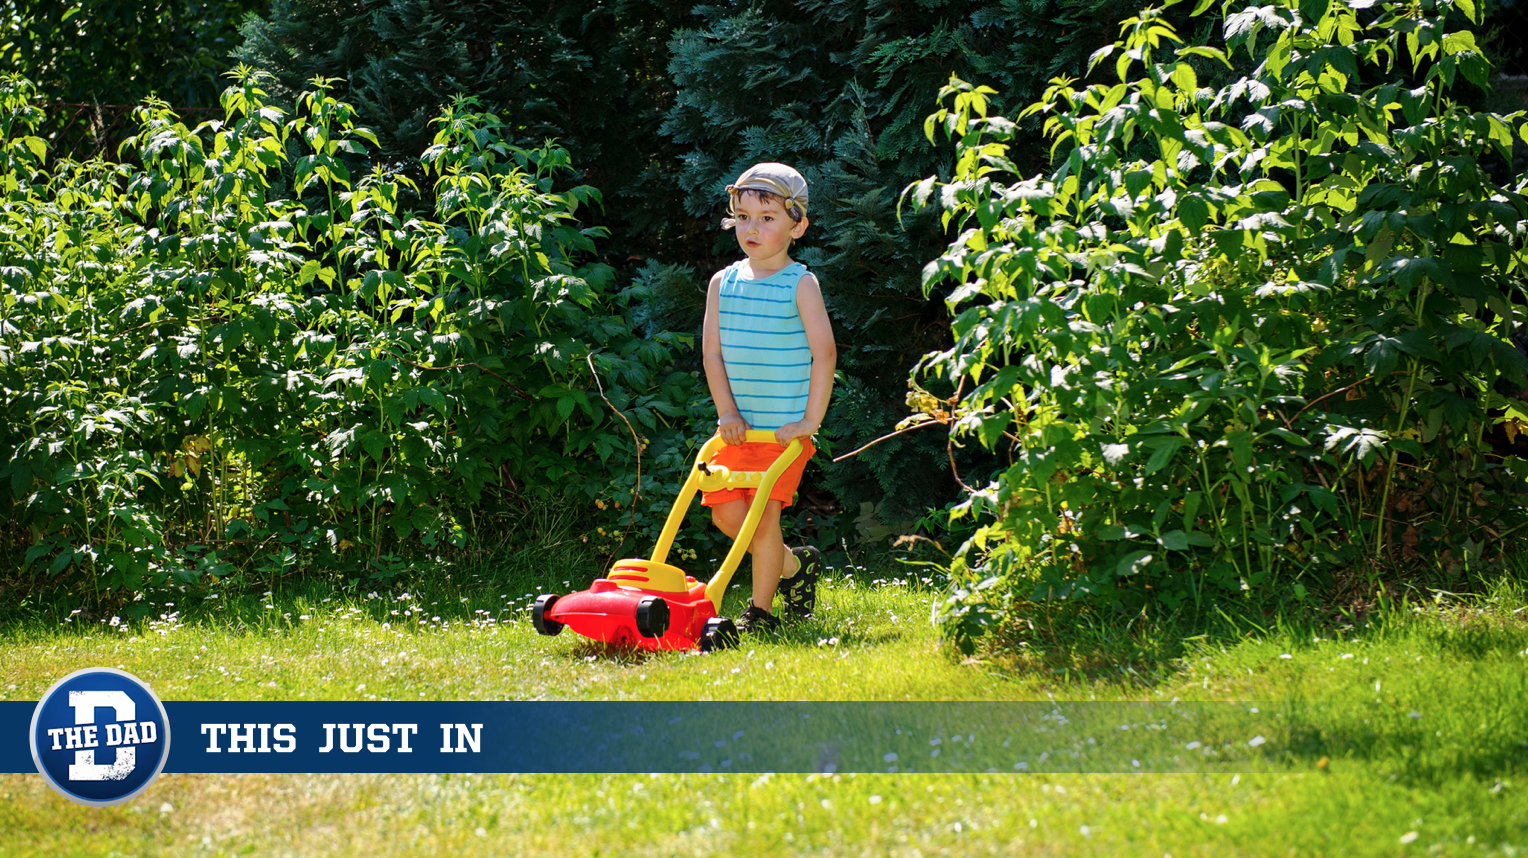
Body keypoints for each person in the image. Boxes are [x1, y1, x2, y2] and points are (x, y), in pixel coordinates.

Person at [701, 162, 836, 633]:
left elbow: (824, 355)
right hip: (738, 428)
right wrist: (727, 412)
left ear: (796, 225)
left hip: (782, 433)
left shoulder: (801, 284)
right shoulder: (724, 283)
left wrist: (808, 423)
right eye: (742, 217)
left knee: (762, 521)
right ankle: (797, 569)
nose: (751, 228)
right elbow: (712, 355)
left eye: (767, 217)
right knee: (726, 514)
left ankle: (760, 613)